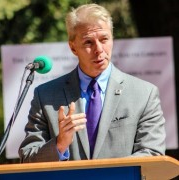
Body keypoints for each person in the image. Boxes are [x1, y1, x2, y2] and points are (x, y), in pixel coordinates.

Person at [19, 3, 166, 162]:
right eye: (88, 42)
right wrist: (60, 144)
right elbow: (27, 159)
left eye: (104, 39)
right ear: (73, 47)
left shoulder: (144, 94)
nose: (99, 49)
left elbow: (152, 154)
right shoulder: (45, 96)